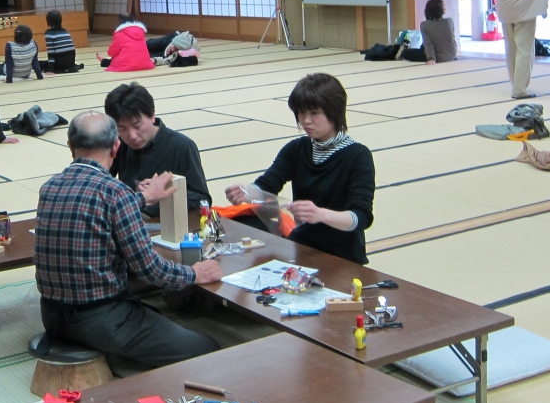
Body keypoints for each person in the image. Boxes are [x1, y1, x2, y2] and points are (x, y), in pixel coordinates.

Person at [35, 110, 222, 372]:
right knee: (207, 349)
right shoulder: (116, 193)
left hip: (53, 316)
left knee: (153, 313)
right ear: (115, 146)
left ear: (70, 146)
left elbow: (95, 205)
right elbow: (150, 269)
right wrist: (194, 274)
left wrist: (144, 198)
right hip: (102, 320)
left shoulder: (50, 187)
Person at [226, 73, 375, 264]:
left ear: (334, 111)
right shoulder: (297, 149)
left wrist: (321, 214)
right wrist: (245, 192)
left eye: (314, 113)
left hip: (343, 255)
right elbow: (268, 184)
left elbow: (361, 217)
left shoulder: (357, 155)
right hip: (301, 245)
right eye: (301, 113)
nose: (305, 121)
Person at [104, 83, 209, 219]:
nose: (132, 136)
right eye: (122, 129)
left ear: (152, 115)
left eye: (137, 125)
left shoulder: (182, 146)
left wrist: (162, 194)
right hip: (128, 218)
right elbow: (99, 180)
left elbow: (202, 199)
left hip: (165, 222)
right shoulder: (118, 143)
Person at [404, 0, 457, 64]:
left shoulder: (425, 25)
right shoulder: (449, 21)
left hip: (438, 57)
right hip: (452, 55)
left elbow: (428, 43)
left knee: (405, 53)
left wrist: (431, 58)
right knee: (422, 46)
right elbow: (451, 40)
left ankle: (401, 49)